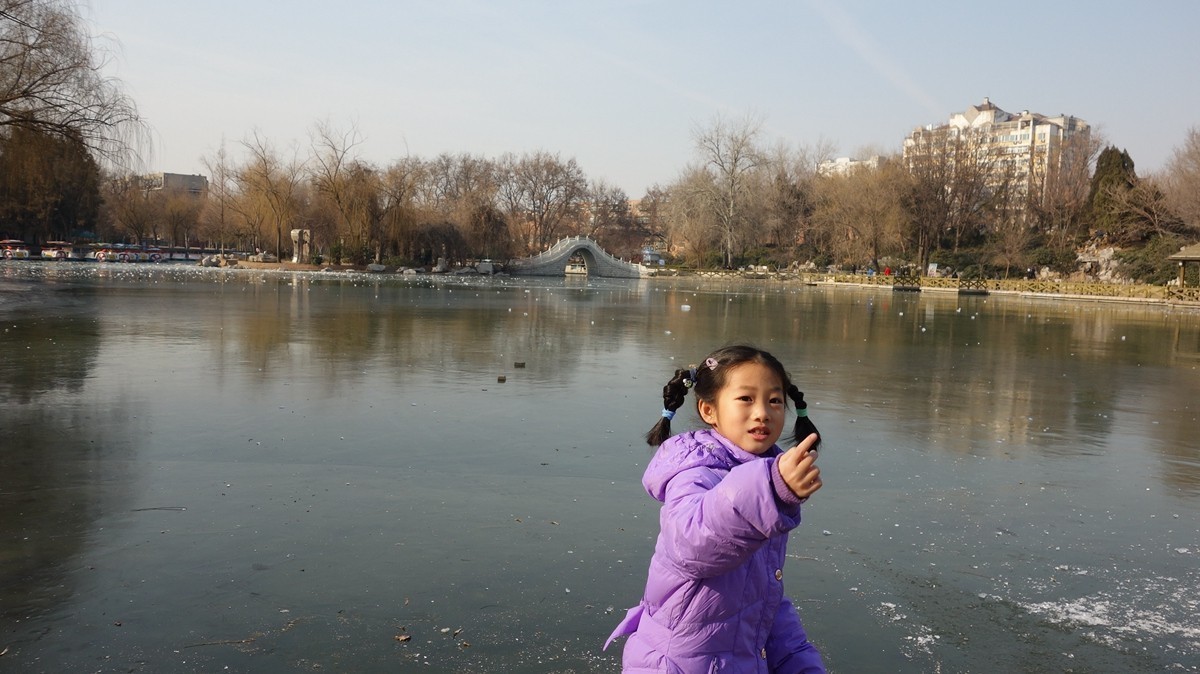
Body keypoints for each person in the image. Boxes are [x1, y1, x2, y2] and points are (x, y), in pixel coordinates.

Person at [605, 345, 826, 673]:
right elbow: (692, 543)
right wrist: (771, 488)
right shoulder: (696, 472)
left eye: (774, 400)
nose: (762, 412)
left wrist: (798, 662)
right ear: (709, 411)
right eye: (746, 399)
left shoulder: (762, 471)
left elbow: (763, 598)